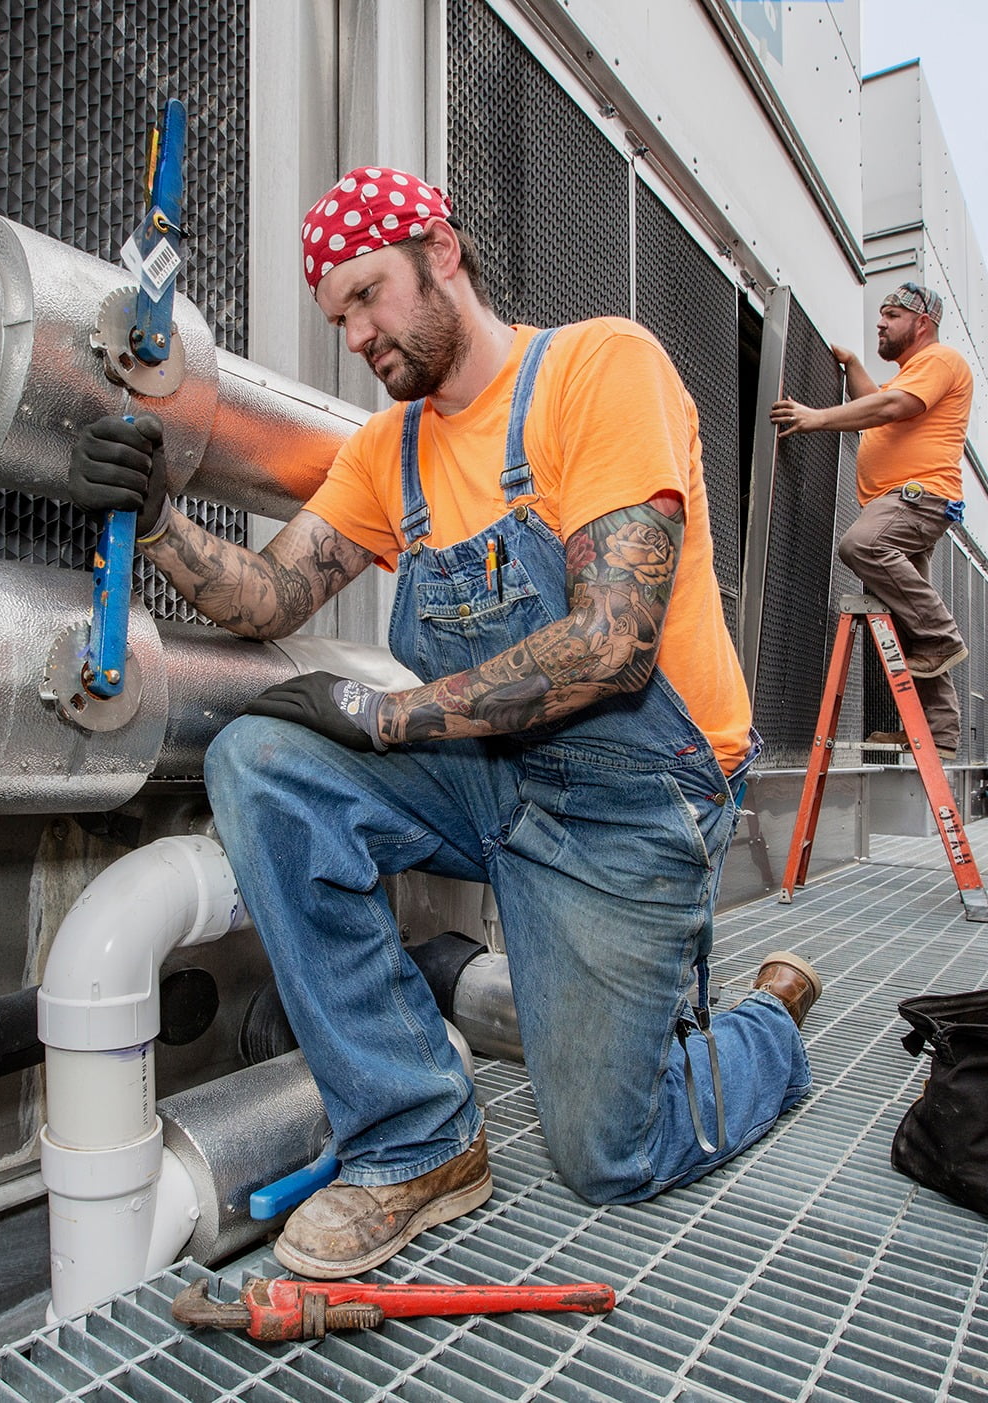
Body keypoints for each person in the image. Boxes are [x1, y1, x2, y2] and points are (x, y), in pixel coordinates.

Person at [69, 166, 820, 1279]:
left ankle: (766, 1021)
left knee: (612, 1149)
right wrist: (160, 518)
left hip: (634, 796)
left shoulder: (600, 368)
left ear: (441, 250)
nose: (359, 334)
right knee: (263, 762)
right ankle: (419, 1136)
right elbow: (271, 596)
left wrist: (384, 711)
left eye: (370, 295)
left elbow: (610, 644)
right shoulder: (391, 452)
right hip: (493, 777)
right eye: (338, 318)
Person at [769, 282, 972, 756]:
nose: (880, 323)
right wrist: (855, 368)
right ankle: (939, 733)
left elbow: (891, 406)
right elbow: (879, 406)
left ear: (922, 324)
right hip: (898, 502)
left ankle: (942, 635)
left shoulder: (940, 361)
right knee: (905, 624)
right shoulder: (911, 373)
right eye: (881, 314)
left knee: (860, 545)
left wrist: (816, 417)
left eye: (892, 314)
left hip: (915, 498)